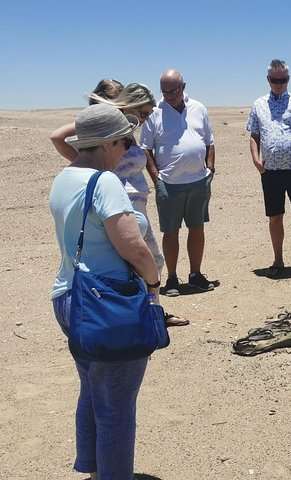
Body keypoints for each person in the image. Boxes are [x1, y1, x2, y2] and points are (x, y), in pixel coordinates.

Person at [49, 104, 160, 479]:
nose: (129, 150)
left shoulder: (64, 177)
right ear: (109, 143)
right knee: (117, 407)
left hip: (69, 296)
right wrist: (153, 286)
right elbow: (133, 246)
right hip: (107, 304)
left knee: (94, 391)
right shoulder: (105, 182)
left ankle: (94, 470)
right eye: (126, 142)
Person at [50, 82, 188, 327]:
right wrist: (88, 163)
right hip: (115, 206)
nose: (146, 118)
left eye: (149, 114)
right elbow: (58, 136)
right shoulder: (109, 129)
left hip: (137, 205)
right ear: (129, 106)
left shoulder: (127, 133)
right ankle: (139, 314)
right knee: (130, 262)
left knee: (151, 261)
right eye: (143, 112)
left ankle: (151, 310)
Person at [139, 68, 216, 296]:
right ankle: (172, 278)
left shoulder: (198, 108)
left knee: (197, 228)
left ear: (183, 87)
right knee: (170, 232)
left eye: (174, 90)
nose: (169, 95)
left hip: (198, 181)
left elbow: (210, 141)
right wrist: (157, 179)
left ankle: (196, 274)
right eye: (165, 91)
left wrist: (210, 169)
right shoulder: (154, 113)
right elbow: (146, 149)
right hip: (169, 183)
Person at [247, 59, 291, 279]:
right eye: (275, 80)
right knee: (275, 218)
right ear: (268, 79)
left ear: (288, 79)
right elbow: (254, 135)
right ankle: (278, 260)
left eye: (283, 80)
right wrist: (256, 161)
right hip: (270, 172)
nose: (279, 84)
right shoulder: (259, 104)